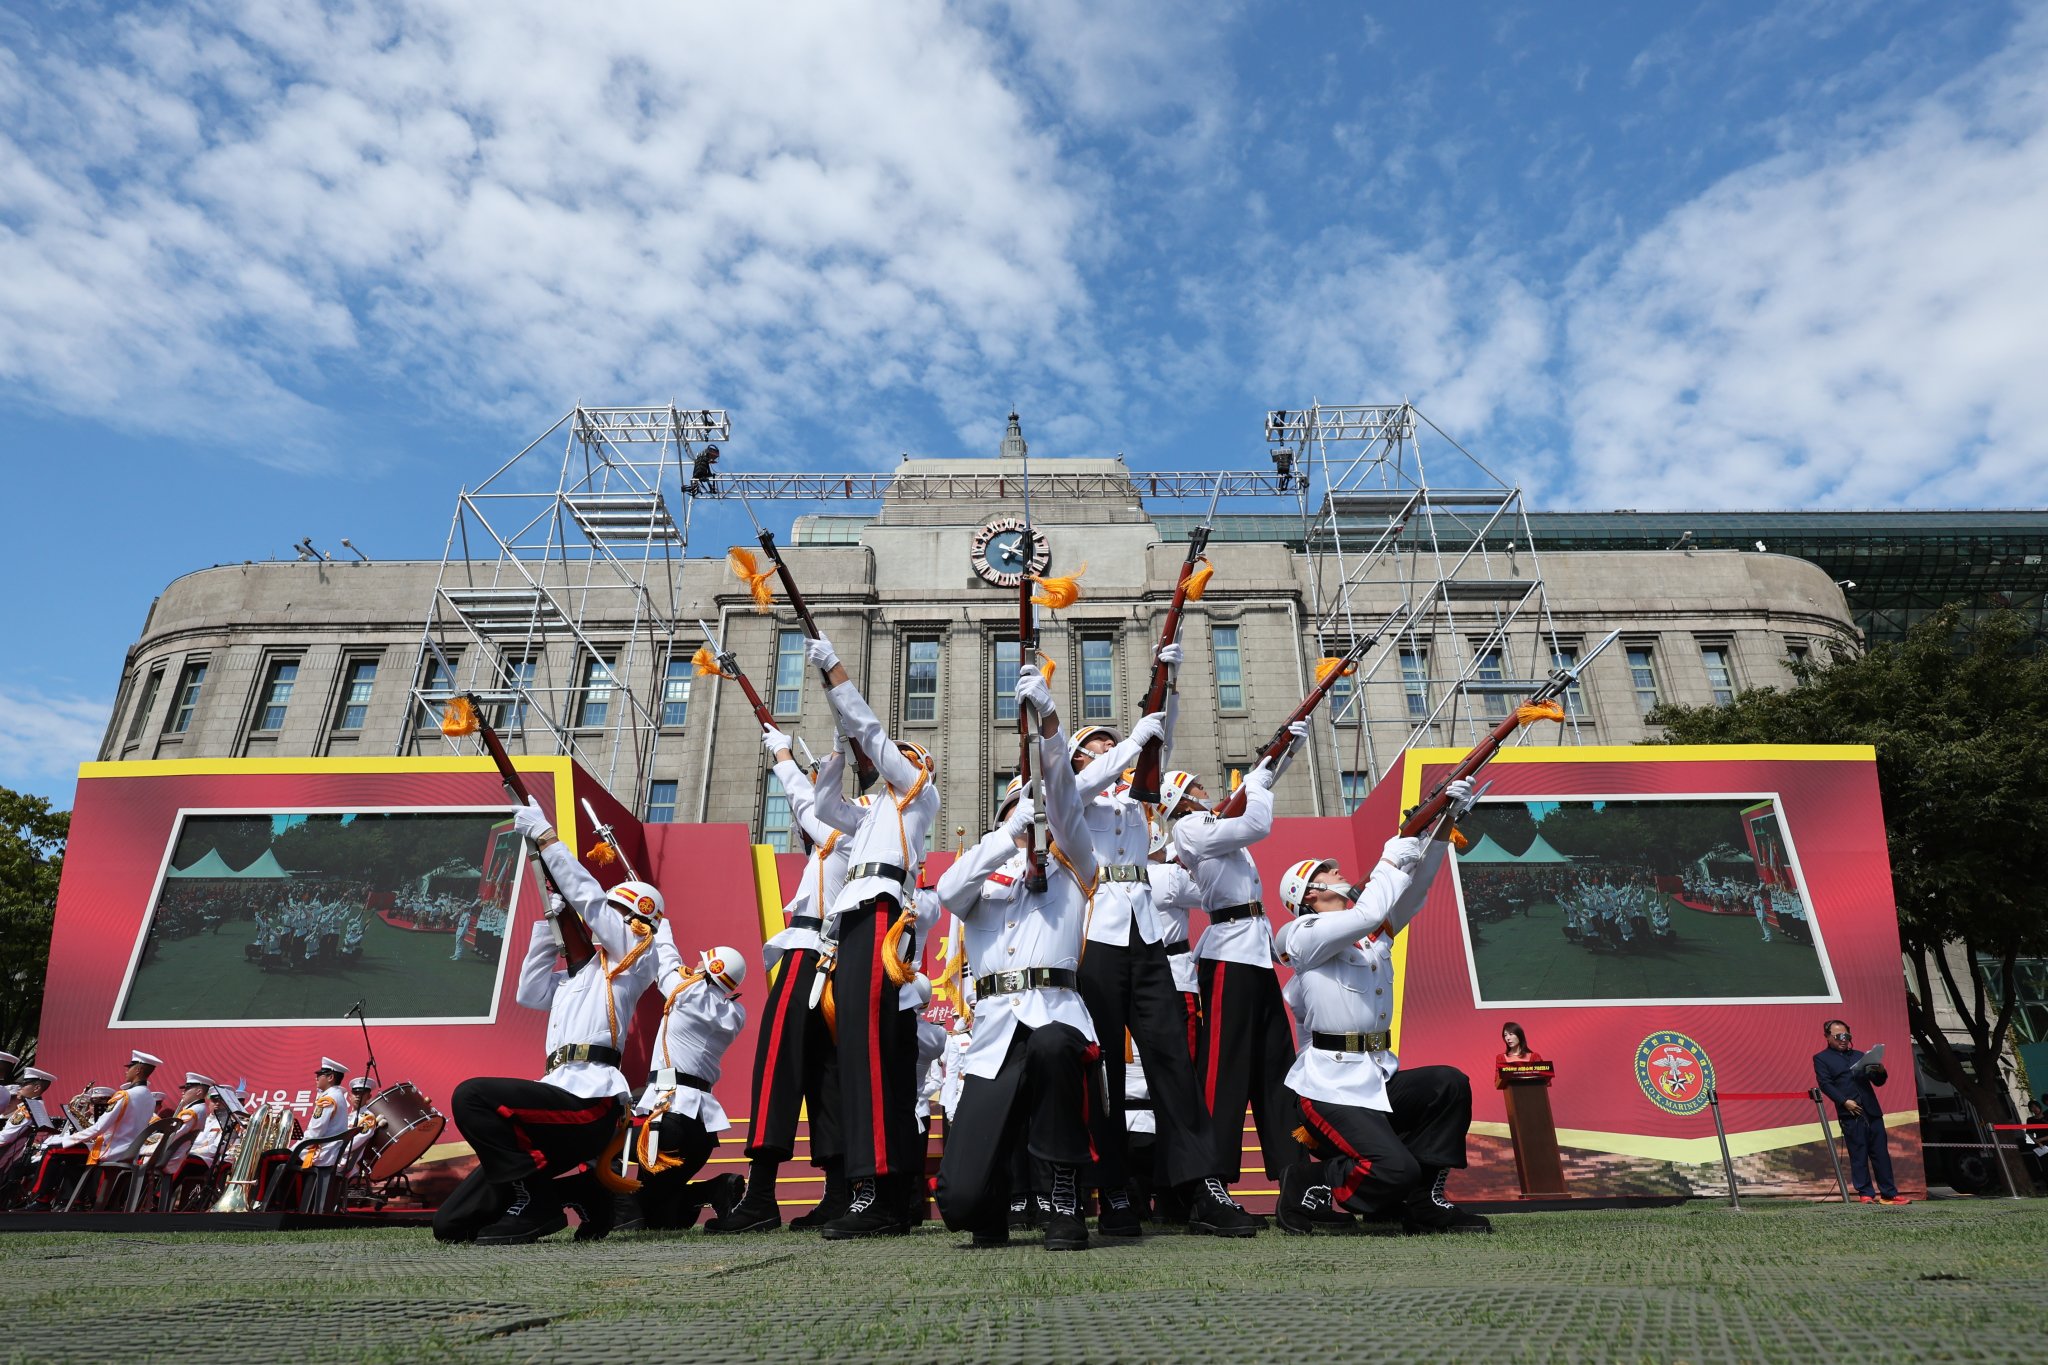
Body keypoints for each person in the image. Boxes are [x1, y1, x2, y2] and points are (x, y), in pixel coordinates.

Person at [1063, 650, 1257, 1239]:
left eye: (1110, 744)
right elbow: (1084, 782)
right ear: (1077, 757)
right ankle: (1115, 1191)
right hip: (1096, 938)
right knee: (1105, 1075)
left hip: (1145, 936)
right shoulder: (1068, 792)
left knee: (1173, 1060)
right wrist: (1125, 748)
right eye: (1095, 746)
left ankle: (1203, 1187)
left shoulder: (1134, 798)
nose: (1107, 751)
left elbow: (1158, 744)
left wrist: (1165, 681)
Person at [433, 797, 681, 1244]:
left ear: (635, 921)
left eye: (616, 914)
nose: (604, 921)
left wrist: (548, 841)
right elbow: (529, 991)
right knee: (450, 1224)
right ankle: (582, 1194)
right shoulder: (581, 975)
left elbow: (590, 902)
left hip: (591, 1104)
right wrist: (550, 921)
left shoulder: (632, 960)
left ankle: (538, 1204)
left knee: (472, 1096)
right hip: (554, 1099)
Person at [932, 667, 1101, 1251]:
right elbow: (949, 890)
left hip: (1056, 1013)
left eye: (1037, 817)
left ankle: (1062, 1195)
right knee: (961, 1204)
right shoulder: (983, 881)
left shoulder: (1074, 864)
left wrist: (1049, 722)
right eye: (1019, 814)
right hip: (996, 1027)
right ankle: (994, 1194)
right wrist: (1008, 838)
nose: (1032, 824)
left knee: (1054, 1047)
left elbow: (1062, 791)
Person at [1269, 804, 1493, 1237]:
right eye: (1330, 873)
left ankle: (1424, 1203)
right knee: (1393, 1169)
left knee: (1448, 1083)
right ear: (1309, 894)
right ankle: (1311, 1181)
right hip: (1329, 1088)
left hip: (1375, 1074)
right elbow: (1368, 913)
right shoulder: (1301, 935)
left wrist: (1440, 831)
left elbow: (1413, 894)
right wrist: (1392, 855)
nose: (1340, 875)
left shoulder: (1366, 938)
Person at [805, 631, 941, 1238]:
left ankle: (882, 1192)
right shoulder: (871, 813)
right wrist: (840, 739)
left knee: (874, 1053)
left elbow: (877, 738)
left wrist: (836, 671)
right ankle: (871, 1188)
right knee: (855, 1054)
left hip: (885, 911)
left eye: (903, 759)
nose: (892, 764)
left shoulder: (918, 794)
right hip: (856, 916)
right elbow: (821, 807)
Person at [709, 731, 855, 1233]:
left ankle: (762, 1195)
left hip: (809, 953)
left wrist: (781, 756)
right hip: (832, 964)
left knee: (777, 1067)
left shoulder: (845, 833)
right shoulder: (838, 846)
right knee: (823, 1076)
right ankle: (837, 1194)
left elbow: (800, 797)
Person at [1168, 727, 1310, 1213]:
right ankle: (1210, 1176)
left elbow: (1253, 792)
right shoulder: (1189, 829)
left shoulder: (1212, 822)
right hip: (1227, 953)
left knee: (1277, 1067)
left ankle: (1296, 1174)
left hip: (1253, 950)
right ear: (1181, 800)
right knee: (1222, 1071)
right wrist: (1261, 784)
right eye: (1196, 788)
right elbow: (1256, 823)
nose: (1205, 791)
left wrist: (1285, 751)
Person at [634, 946, 750, 1230]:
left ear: (712, 969)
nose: (695, 963)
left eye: (702, 961)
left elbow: (665, 958)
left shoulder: (687, 993)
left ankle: (711, 1190)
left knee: (642, 1210)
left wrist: (656, 919)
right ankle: (714, 1190)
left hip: (668, 1117)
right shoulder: (734, 1012)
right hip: (702, 1128)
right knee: (663, 1211)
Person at [27, 1050, 164, 1209]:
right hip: (128, 1150)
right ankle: (75, 1201)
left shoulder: (125, 1095)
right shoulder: (148, 1097)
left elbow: (99, 1127)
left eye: (130, 1067)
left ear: (138, 1070)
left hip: (111, 1150)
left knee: (53, 1150)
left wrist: (68, 1139)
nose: (127, 1071)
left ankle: (40, 1201)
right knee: (72, 1159)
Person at [1813, 1019, 1908, 1205]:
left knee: (1881, 1154)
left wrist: (1880, 1070)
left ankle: (1889, 1193)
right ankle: (1865, 1193)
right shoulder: (1821, 1058)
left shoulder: (1860, 1055)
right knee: (1858, 1154)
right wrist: (1843, 1101)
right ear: (1827, 1037)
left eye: (1846, 1036)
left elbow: (1878, 1081)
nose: (1843, 1039)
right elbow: (1825, 1084)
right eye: (1838, 1036)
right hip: (1851, 1113)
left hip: (1872, 1111)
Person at [293, 1057, 353, 1211]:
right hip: (328, 1151)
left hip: (322, 1153)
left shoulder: (327, 1099)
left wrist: (294, 1148)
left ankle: (273, 1204)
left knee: (273, 1157)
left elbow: (315, 1132)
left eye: (320, 1075)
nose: (316, 1078)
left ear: (331, 1077)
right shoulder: (337, 1096)